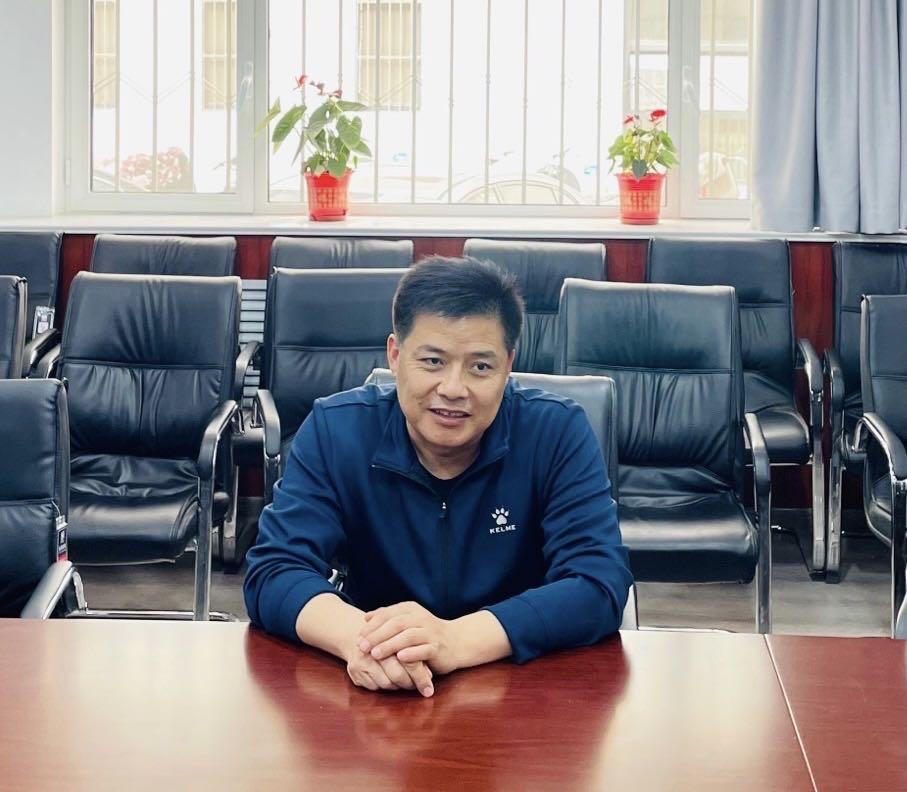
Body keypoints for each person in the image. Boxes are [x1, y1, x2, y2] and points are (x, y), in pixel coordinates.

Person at [243, 255, 632, 698]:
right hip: (378, 687)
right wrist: (360, 639)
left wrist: (455, 640)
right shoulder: (337, 431)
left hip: (520, 684)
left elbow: (597, 581)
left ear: (508, 365)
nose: (453, 389)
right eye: (432, 361)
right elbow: (275, 569)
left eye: (480, 367)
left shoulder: (556, 432)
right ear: (395, 355)